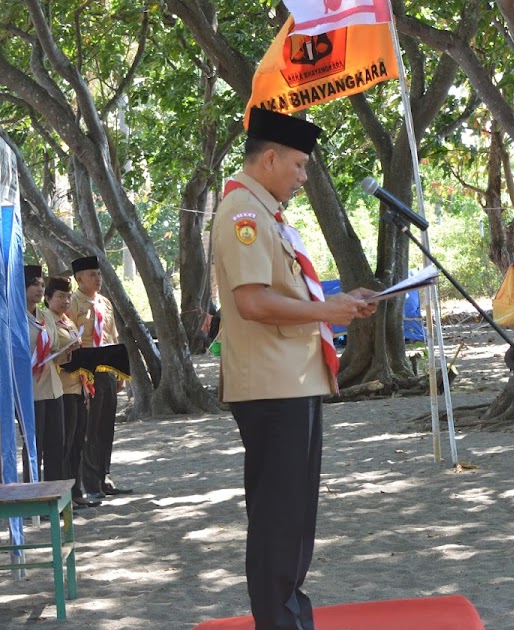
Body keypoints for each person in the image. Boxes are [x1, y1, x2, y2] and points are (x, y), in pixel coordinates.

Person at [211, 107, 377, 629]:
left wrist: (338, 302)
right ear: (269, 158)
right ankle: (278, 620)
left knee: (296, 516)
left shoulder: (266, 214)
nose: (304, 177)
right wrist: (327, 311)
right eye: (299, 166)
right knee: (278, 517)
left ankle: (290, 615)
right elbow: (252, 302)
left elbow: (284, 294)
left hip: (291, 380)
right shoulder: (243, 213)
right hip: (270, 386)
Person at [67, 255, 131, 499]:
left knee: (106, 426)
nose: (98, 278)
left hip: (107, 369)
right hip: (87, 371)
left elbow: (113, 337)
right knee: (89, 428)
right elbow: (71, 339)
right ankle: (89, 482)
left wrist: (119, 373)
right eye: (92, 274)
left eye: (99, 274)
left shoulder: (104, 302)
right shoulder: (73, 303)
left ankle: (105, 476)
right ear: (79, 279)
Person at [51, 276, 99, 508]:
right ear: (48, 298)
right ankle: (65, 495)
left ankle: (76, 491)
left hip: (79, 386)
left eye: (68, 297)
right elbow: (50, 356)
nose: (65, 301)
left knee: (79, 442)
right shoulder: (47, 322)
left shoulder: (68, 322)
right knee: (66, 444)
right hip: (62, 389)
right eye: (60, 296)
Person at [27, 268, 69, 482]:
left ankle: (55, 492)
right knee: (35, 445)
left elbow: (55, 350)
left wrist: (68, 350)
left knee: (56, 443)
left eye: (42, 285)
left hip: (53, 387)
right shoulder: (14, 317)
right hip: (31, 388)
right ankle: (33, 492)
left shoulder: (46, 317)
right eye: (35, 284)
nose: (40, 289)